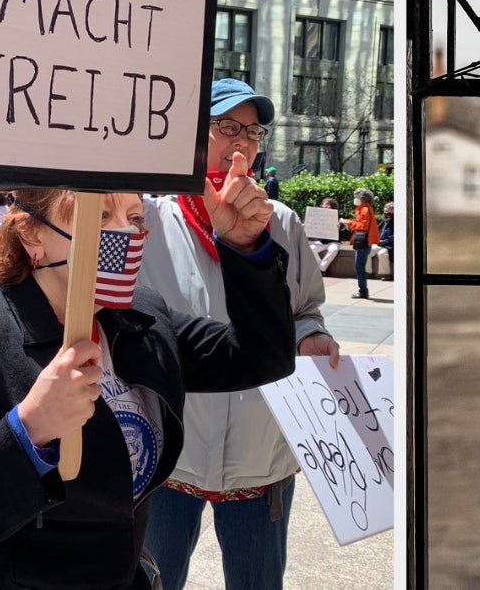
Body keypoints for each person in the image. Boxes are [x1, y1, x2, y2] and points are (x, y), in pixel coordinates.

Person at [0, 172, 295, 589]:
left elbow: (262, 357)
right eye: (100, 217)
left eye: (136, 218)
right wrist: (29, 429)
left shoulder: (143, 316)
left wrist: (245, 245)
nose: (126, 232)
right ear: (32, 234)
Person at [140, 78, 341, 590]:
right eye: (228, 127)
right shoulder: (148, 223)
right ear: (191, 135)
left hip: (260, 455)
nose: (243, 142)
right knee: (152, 581)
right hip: (170, 458)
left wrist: (310, 335)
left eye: (252, 132)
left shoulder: (282, 224)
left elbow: (305, 309)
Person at [341, 187, 380, 300]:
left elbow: (362, 226)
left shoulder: (364, 210)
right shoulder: (364, 209)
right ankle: (362, 290)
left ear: (362, 198)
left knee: (359, 267)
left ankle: (363, 291)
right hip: (363, 241)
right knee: (359, 267)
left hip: (363, 242)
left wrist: (347, 222)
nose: (355, 199)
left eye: (356, 196)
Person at [309, 197, 343, 272]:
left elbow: (344, 230)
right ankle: (320, 267)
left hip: (334, 241)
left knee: (333, 250)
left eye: (328, 205)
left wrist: (340, 226)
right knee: (311, 249)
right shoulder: (318, 217)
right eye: (324, 205)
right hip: (322, 241)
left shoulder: (338, 217)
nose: (325, 207)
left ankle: (321, 269)